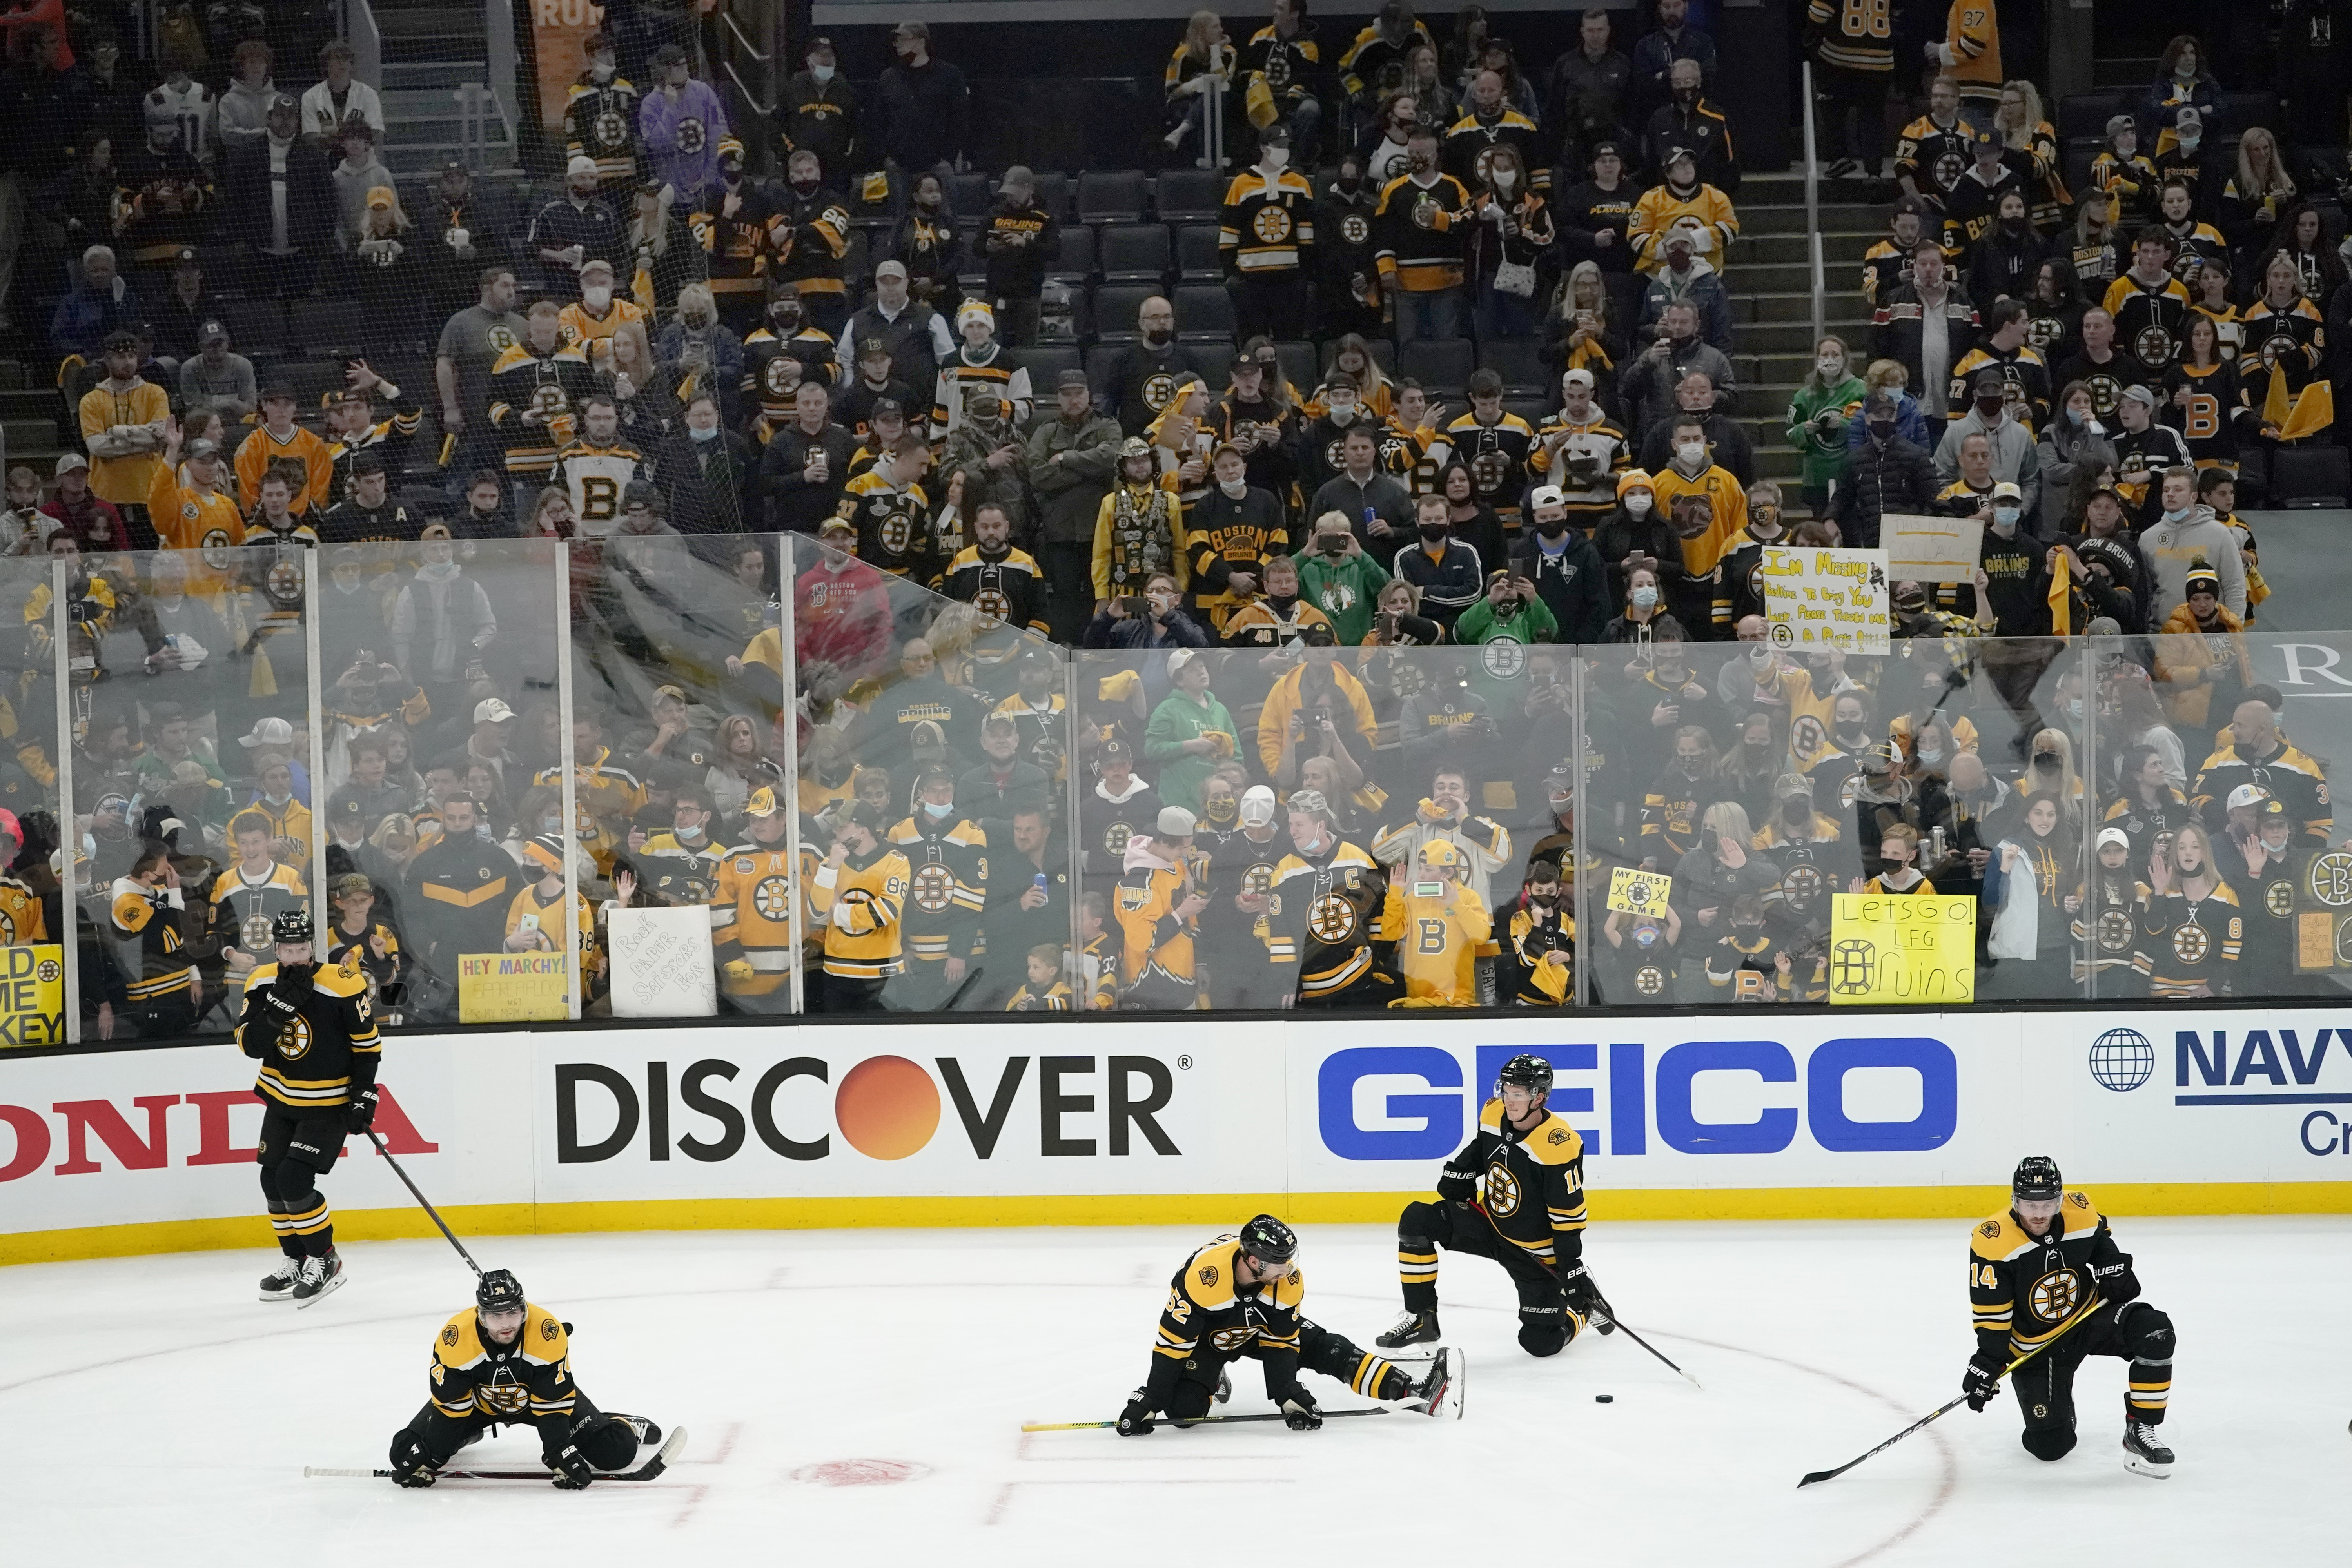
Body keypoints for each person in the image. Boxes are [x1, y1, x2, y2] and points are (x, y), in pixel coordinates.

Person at [1115, 1216, 1458, 1437]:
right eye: (1278, 1264)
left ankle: (1413, 1392)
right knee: (1183, 1413)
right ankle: (1212, 1377)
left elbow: (1282, 1344)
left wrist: (1287, 1395)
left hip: (1260, 1327)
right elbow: (1172, 1345)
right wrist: (1152, 1399)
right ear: (1252, 1260)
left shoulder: (1286, 1280)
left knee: (1330, 1348)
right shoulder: (1204, 1278)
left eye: (1288, 1261)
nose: (1287, 1270)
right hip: (1207, 1339)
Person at [1379, 1052, 1601, 1355]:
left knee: (1540, 1343)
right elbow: (1482, 1148)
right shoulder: (1494, 1113)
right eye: (1506, 1091)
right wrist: (1460, 1172)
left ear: (1539, 1098)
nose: (1509, 1100)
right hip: (1490, 1224)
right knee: (1418, 1219)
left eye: (1518, 1094)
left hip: (1533, 1253)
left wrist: (1572, 1268)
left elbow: (1568, 1218)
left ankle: (1584, 1312)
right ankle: (1422, 1319)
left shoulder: (1558, 1144)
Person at [1964, 1156, 2175, 1474]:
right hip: (2036, 1347)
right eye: (2029, 1205)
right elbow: (1993, 1317)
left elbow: (2100, 1243)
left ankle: (2140, 1430)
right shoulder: (1992, 1242)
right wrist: (1988, 1363)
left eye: (2048, 1204)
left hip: (2089, 1317)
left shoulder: (2081, 1209)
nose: (2038, 1215)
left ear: (2060, 1199)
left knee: (2155, 1331)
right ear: (2014, 1200)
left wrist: (2113, 1266)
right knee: (2050, 1447)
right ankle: (2060, 1405)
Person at [387, 1268, 662, 1489]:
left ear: (524, 1310)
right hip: (474, 1406)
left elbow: (553, 1408)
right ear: (480, 1316)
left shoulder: (547, 1333)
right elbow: (451, 1409)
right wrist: (433, 1456)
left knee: (615, 1452)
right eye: (496, 1316)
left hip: (538, 1404)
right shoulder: (455, 1338)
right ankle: (467, 1435)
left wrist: (558, 1451)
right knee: (404, 1453)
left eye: (512, 1313)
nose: (506, 1324)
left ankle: (619, 1421)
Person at [236, 909, 379, 1306]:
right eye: (287, 948)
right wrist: (278, 1010)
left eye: (302, 948)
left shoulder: (342, 982)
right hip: (281, 1098)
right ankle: (296, 1258)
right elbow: (251, 1046)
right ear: (276, 948)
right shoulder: (261, 981)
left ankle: (325, 1259)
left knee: (295, 1181)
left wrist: (365, 1095)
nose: (295, 956)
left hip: (329, 1102)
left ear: (312, 946)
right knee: (271, 1181)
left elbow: (367, 1047)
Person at [1374, 126, 1472, 343]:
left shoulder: (1453, 187)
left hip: (1447, 281)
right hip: (1406, 283)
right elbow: (1383, 233)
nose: (1415, 159)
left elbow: (1469, 223)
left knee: (1446, 345)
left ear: (1435, 155)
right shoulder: (1394, 189)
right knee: (1408, 345)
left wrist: (1439, 219)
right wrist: (1386, 268)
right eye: (1411, 154)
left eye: (1421, 154)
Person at [808, 804, 910, 1013]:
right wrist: (831, 869)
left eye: (842, 827)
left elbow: (884, 913)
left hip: (882, 974)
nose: (835, 833)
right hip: (838, 972)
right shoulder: (832, 863)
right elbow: (817, 911)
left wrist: (837, 910)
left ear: (862, 832)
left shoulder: (896, 862)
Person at [1220, 126, 1316, 341]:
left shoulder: (1300, 184)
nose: (1284, 150)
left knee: (1290, 341)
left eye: (1287, 146)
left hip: (1289, 282)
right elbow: (1229, 233)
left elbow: (1307, 234)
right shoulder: (1241, 183)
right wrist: (1233, 275)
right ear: (1264, 148)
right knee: (1252, 343)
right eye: (1279, 146)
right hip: (1250, 282)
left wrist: (1303, 275)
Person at [874, 21, 970, 196]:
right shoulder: (889, 77)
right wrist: (888, 157)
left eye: (903, 39)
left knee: (944, 218)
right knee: (900, 219)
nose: (897, 45)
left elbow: (960, 120)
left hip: (938, 164)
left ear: (921, 41)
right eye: (896, 41)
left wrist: (947, 158)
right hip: (899, 165)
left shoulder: (949, 75)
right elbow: (878, 121)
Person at [638, 44, 726, 207]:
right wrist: (669, 108)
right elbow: (657, 144)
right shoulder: (651, 103)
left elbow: (719, 134)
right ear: (665, 71)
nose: (685, 70)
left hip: (708, 187)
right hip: (672, 192)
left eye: (685, 64)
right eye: (679, 66)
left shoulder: (703, 92)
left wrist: (710, 175)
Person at [1243, 0, 1324, 161]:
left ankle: (1295, 162)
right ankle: (1256, 160)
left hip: (1291, 101)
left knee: (1311, 109)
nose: (1274, 12)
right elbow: (1246, 71)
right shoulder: (1260, 38)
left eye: (1280, 8)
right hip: (1263, 98)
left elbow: (1303, 83)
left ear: (1295, 14)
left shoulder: (1308, 47)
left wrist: (1284, 112)